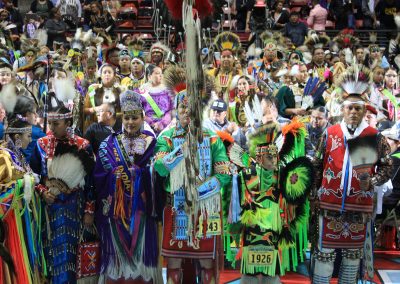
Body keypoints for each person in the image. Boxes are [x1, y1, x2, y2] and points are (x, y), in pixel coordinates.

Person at [311, 65, 392, 283]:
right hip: (329, 205)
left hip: (359, 206)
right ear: (342, 110)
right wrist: (314, 195)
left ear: (365, 111)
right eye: (350, 108)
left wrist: (373, 181)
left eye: (358, 108)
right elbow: (317, 165)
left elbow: (387, 165)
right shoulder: (330, 134)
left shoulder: (373, 136)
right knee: (324, 253)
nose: (354, 112)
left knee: (352, 257)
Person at [154, 68, 231, 284]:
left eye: (192, 108)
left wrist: (200, 191)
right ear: (176, 110)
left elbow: (224, 173)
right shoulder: (167, 138)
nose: (187, 112)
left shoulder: (212, 138)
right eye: (182, 107)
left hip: (205, 208)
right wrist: (181, 151)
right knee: (174, 264)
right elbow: (159, 167)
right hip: (176, 207)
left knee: (207, 265)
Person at [93, 90, 161, 283]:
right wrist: (116, 178)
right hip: (116, 210)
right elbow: (98, 176)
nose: (130, 122)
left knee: (141, 267)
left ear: (142, 117)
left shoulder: (151, 143)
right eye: (127, 118)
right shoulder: (108, 144)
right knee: (117, 267)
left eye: (135, 118)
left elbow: (158, 175)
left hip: (141, 211)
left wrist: (141, 175)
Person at [239, 120, 313, 283]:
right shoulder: (247, 173)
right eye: (269, 156)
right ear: (259, 157)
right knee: (249, 271)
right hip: (252, 228)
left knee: (271, 271)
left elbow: (293, 197)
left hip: (273, 228)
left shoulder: (282, 174)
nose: (273, 160)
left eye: (275, 155)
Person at [30, 101, 95, 283]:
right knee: (52, 253)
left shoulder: (83, 145)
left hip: (76, 207)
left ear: (68, 123)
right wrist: (43, 191)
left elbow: (91, 183)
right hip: (50, 209)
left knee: (75, 255)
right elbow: (34, 175)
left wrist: (89, 211)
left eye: (56, 124)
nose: (51, 128)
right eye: (49, 123)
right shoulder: (41, 144)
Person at [0, 119, 42, 283]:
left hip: (20, 219)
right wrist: (25, 183)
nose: (30, 140)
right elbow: (3, 193)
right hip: (11, 223)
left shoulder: (17, 155)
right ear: (17, 137)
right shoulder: (5, 157)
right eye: (28, 136)